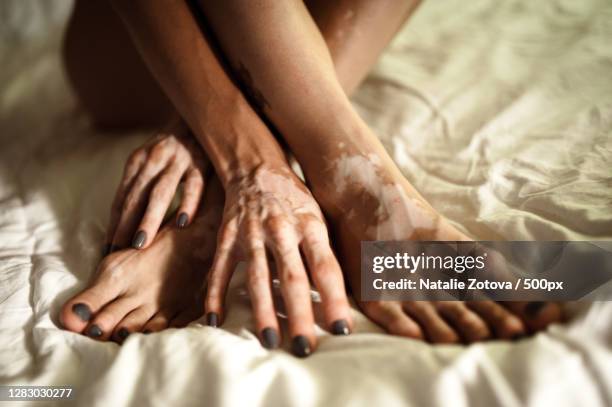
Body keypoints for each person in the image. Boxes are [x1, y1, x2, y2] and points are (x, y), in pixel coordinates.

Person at [59, 0, 562, 357]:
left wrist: (224, 149)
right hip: (129, 54)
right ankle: (354, 183)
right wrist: (247, 161)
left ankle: (355, 187)